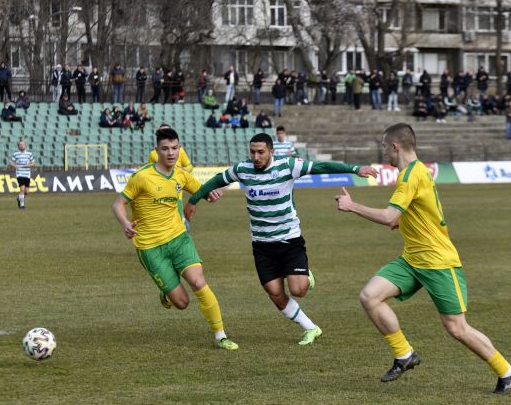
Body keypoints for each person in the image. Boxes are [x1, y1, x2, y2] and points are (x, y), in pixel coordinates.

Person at [333, 123, 511, 394]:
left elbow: (388, 216)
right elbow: (406, 215)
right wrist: (403, 222)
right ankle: (404, 354)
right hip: (412, 259)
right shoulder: (417, 172)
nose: (384, 151)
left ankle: (507, 371)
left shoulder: (410, 176)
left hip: (438, 262)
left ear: (395, 147)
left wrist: (352, 206)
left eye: (385, 147)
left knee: (457, 328)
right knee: (370, 296)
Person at [184, 133, 378, 346]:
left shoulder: (288, 166)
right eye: (253, 152)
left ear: (271, 152)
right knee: (275, 293)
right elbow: (217, 180)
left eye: (261, 152)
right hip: (261, 245)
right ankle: (311, 328)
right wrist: (193, 200)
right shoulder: (242, 169)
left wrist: (355, 169)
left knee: (299, 290)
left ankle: (305, 273)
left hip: (288, 240)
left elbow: (321, 167)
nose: (256, 157)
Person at [112, 128, 238, 351]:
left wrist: (212, 194)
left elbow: (202, 191)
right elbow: (118, 204)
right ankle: (167, 294)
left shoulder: (181, 174)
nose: (171, 153)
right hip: (150, 247)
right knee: (182, 303)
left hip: (179, 239)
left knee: (199, 283)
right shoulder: (142, 176)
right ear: (156, 150)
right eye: (165, 149)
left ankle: (220, 335)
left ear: (180, 149)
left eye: (174, 148)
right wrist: (125, 224)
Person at [9, 140, 35, 209]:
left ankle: (19, 198)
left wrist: (30, 165)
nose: (22, 146)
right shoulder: (15, 154)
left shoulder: (29, 154)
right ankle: (22, 205)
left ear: (25, 145)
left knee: (26, 192)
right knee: (22, 189)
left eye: (23, 144)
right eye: (20, 145)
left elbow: (33, 163)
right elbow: (11, 163)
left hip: (27, 174)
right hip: (19, 173)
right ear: (18, 146)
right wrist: (15, 166)